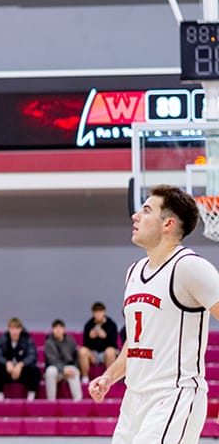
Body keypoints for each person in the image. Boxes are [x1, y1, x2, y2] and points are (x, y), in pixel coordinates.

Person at [89, 185, 219, 443]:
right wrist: (110, 375)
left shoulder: (189, 267)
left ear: (168, 224)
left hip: (174, 395)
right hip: (134, 399)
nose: (135, 216)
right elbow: (138, 341)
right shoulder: (134, 272)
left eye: (146, 210)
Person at [0, 317, 40, 400]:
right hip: (7, 371)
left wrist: (21, 364)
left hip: (23, 371)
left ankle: (31, 396)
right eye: (12, 328)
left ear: (20, 329)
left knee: (35, 370)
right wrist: (6, 363)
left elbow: (32, 355)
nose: (14, 331)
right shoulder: (2, 339)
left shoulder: (27, 339)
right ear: (9, 329)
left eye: (17, 328)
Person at [78, 301, 120, 384]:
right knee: (82, 351)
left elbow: (114, 344)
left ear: (104, 312)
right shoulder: (89, 325)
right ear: (93, 313)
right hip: (94, 354)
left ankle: (110, 379)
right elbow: (85, 345)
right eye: (96, 312)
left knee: (110, 351)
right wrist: (90, 338)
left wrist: (105, 337)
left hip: (107, 354)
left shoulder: (111, 324)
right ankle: (85, 378)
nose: (98, 314)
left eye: (100, 312)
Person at [43, 319, 82, 401]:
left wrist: (75, 367)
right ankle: (51, 402)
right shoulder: (48, 342)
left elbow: (75, 357)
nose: (58, 329)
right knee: (50, 371)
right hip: (56, 369)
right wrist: (62, 370)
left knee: (73, 371)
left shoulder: (70, 340)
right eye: (55, 327)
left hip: (69, 368)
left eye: (60, 327)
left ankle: (78, 401)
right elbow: (51, 360)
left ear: (64, 329)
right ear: (52, 330)